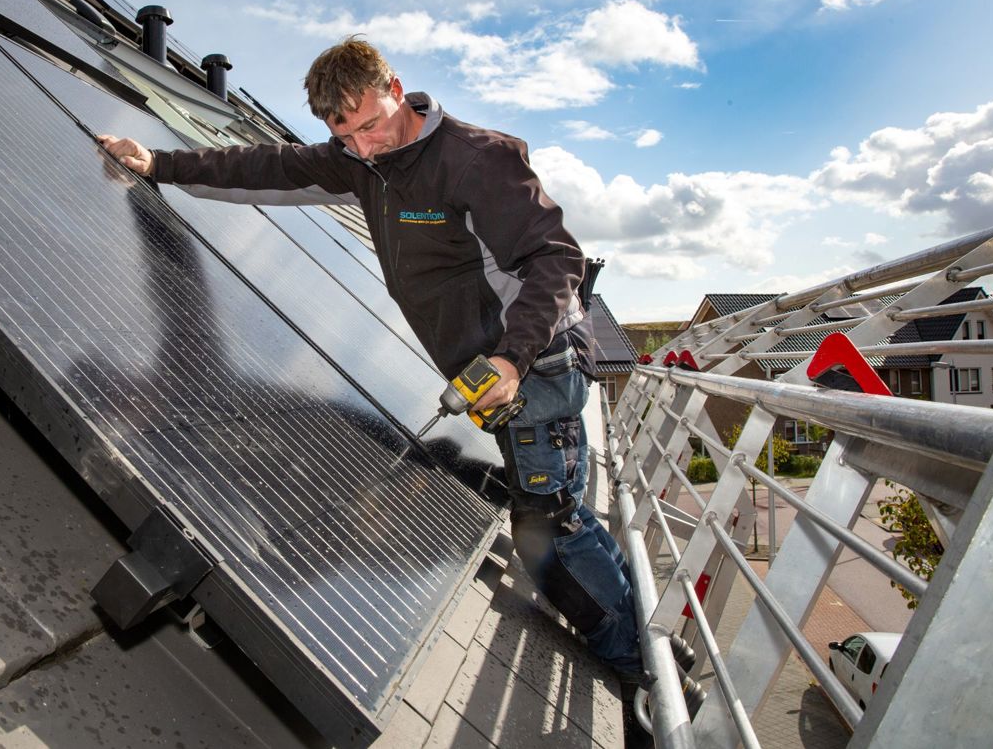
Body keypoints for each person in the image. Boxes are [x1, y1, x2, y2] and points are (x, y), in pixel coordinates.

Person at [97, 36, 649, 721]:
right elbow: (265, 166)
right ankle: (645, 638)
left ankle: (640, 673)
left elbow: (556, 257)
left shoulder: (476, 158)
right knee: (555, 505)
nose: (363, 145)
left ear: (396, 85)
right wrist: (160, 163)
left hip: (534, 363)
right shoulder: (362, 164)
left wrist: (512, 358)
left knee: (549, 533)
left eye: (371, 123)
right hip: (493, 373)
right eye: (345, 134)